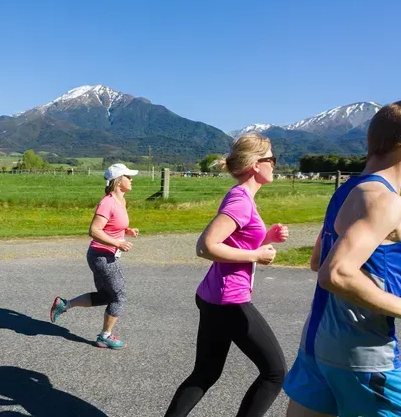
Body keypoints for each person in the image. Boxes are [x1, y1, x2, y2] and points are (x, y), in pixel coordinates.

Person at [284, 101, 401, 417]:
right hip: (364, 353)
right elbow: (335, 273)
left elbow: (317, 260)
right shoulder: (385, 200)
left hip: (317, 343)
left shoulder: (347, 190)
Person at [164, 133, 289, 417]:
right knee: (275, 372)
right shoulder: (241, 200)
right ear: (256, 164)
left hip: (213, 296)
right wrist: (257, 255)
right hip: (229, 300)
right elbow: (206, 246)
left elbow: (233, 243)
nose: (275, 165)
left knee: (205, 373)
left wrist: (265, 238)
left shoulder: (242, 197)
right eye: (272, 159)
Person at [49, 163, 139, 349]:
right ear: (118, 180)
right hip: (102, 256)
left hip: (104, 254)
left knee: (106, 296)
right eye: (128, 176)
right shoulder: (107, 202)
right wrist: (118, 243)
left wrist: (126, 231)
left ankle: (64, 305)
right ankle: (104, 336)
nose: (131, 179)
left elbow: (112, 225)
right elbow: (94, 230)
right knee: (119, 296)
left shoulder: (120, 201)